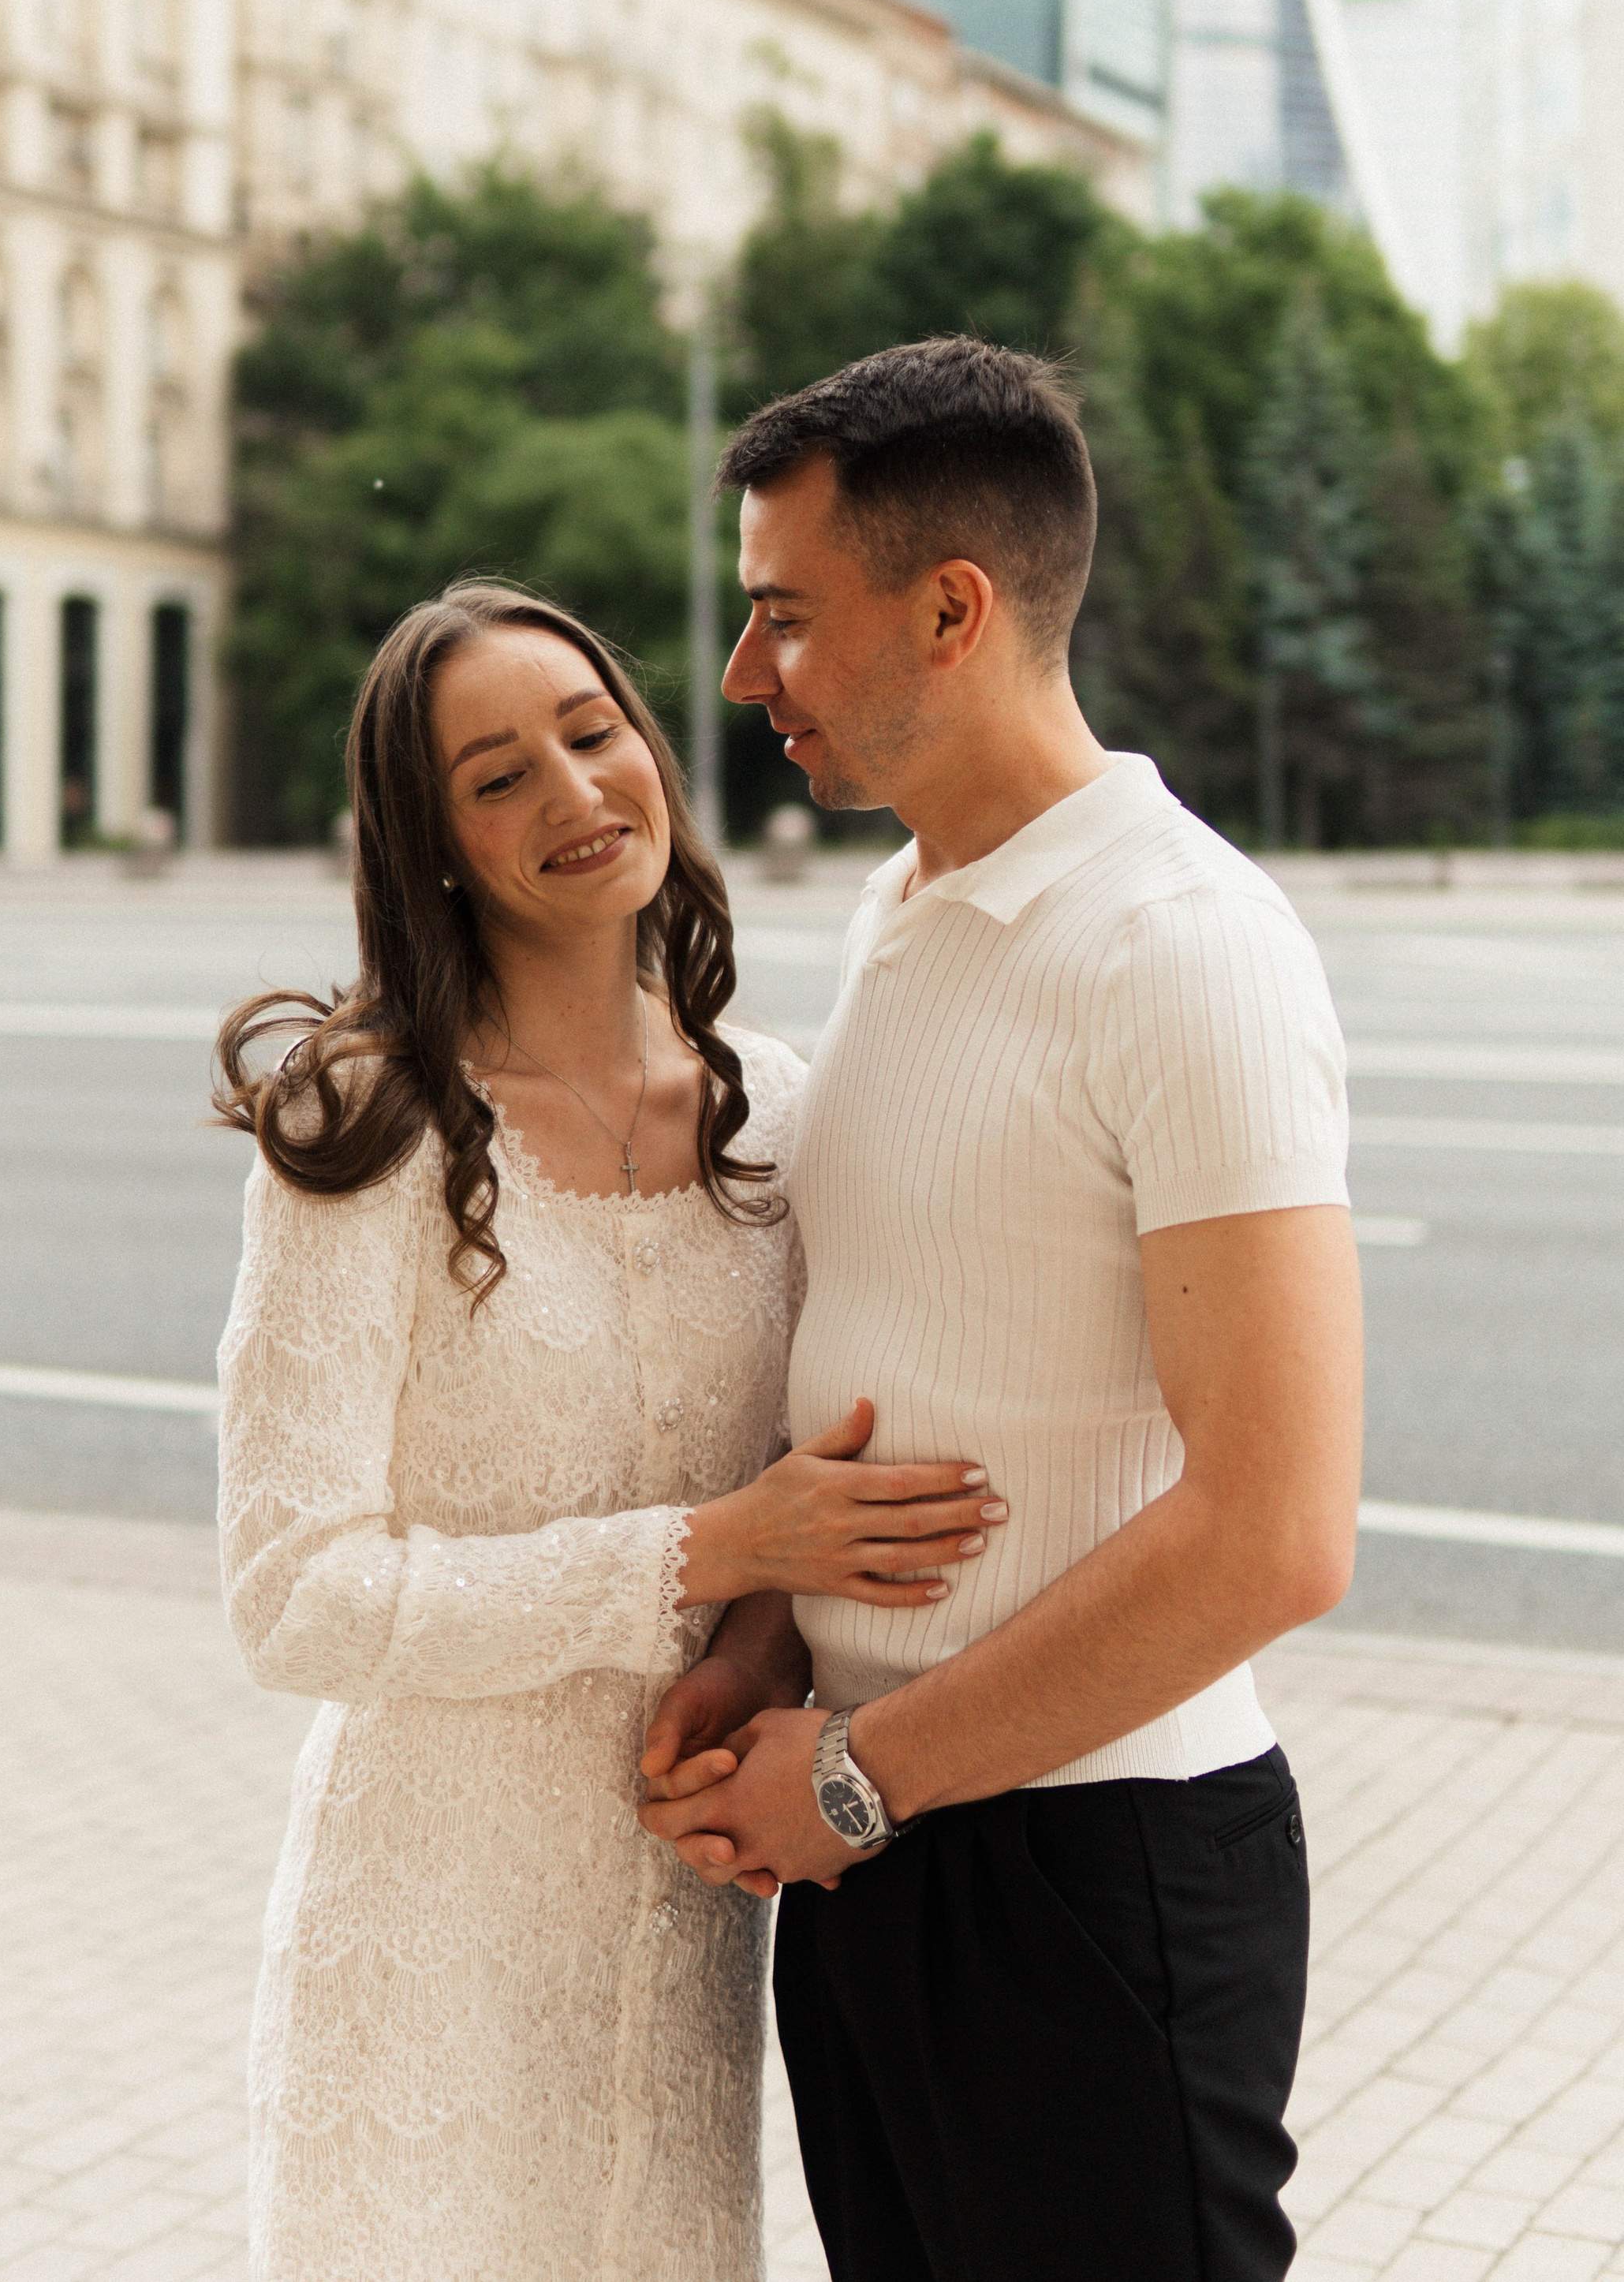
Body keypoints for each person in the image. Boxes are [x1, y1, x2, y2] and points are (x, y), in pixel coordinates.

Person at [640, 338, 1363, 2282]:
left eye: (782, 617)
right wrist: (774, 1646)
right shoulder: (906, 908)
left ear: (950, 610)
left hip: (1089, 1870)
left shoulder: (1177, 944)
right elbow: (908, 1355)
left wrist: (862, 1780)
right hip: (878, 1850)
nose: (740, 678)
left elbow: (1278, 1531)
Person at [211, 581, 1002, 2282]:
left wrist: (773, 1617)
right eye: (495, 778)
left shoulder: (782, 1114)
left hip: (680, 1940)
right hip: (420, 1948)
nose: (571, 795)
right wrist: (709, 1554)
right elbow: (294, 1600)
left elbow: (835, 1480)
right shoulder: (367, 1130)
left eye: (590, 734)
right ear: (427, 842)